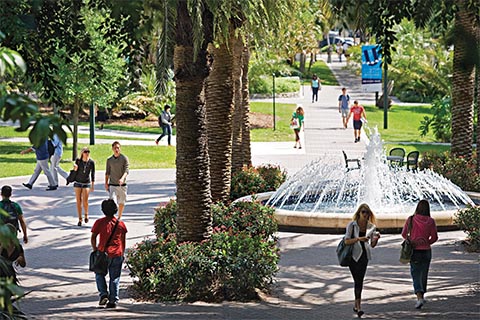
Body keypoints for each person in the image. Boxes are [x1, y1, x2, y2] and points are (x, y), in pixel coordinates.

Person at [344, 203, 380, 318]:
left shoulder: (371, 227)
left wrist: (376, 239)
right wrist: (359, 239)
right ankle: (356, 305)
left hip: (364, 256)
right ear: (359, 213)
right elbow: (346, 241)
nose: (365, 214)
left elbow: (372, 245)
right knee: (357, 279)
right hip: (353, 256)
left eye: (367, 212)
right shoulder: (352, 225)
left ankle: (358, 307)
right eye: (363, 212)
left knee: (359, 280)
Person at [91, 199, 127, 309]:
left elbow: (93, 237)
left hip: (103, 253)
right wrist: (122, 253)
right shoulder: (120, 224)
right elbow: (123, 240)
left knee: (99, 274)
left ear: (103, 210)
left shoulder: (99, 222)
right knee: (115, 277)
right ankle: (113, 300)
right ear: (115, 210)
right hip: (117, 254)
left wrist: (95, 249)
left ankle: (103, 294)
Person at [401, 199, 438, 309]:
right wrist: (426, 242)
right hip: (426, 251)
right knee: (424, 274)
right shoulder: (431, 221)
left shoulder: (411, 219)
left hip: (414, 251)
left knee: (415, 274)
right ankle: (422, 295)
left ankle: (419, 297)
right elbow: (435, 237)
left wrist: (412, 240)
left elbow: (403, 234)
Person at [105, 141, 129, 219]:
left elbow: (126, 171)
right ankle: (112, 217)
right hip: (112, 184)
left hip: (122, 185)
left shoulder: (124, 158)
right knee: (112, 201)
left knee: (121, 202)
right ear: (112, 149)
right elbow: (107, 172)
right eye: (115, 148)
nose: (116, 149)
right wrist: (106, 183)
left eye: (118, 148)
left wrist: (122, 179)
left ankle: (119, 217)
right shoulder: (109, 160)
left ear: (120, 148)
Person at [72, 147, 95, 227]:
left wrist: (92, 185)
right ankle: (80, 219)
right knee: (78, 201)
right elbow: (75, 171)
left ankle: (86, 214)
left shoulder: (91, 162)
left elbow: (93, 174)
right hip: (78, 182)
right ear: (82, 153)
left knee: (85, 201)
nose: (87, 153)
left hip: (86, 183)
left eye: (88, 151)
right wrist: (75, 169)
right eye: (85, 152)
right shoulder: (78, 161)